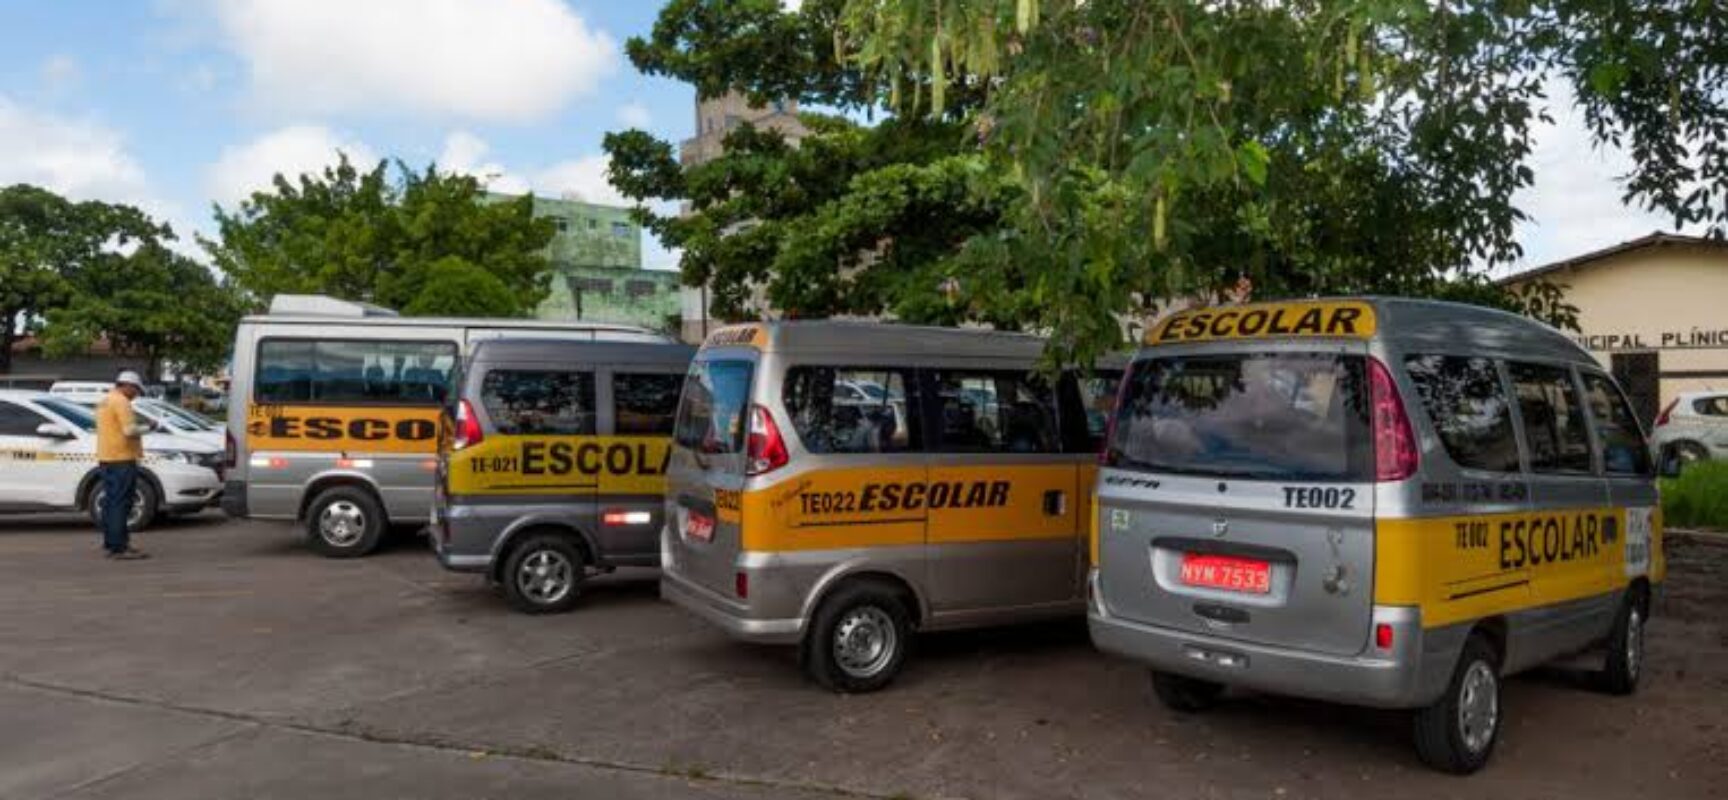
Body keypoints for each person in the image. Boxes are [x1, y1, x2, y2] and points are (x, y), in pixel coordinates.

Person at [96, 371, 154, 560]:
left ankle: (111, 543)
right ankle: (120, 547)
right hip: (122, 458)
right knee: (122, 503)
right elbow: (129, 431)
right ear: (127, 386)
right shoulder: (121, 402)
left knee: (111, 502)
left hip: (106, 457)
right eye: (136, 389)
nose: (136, 394)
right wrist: (150, 427)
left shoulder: (105, 401)